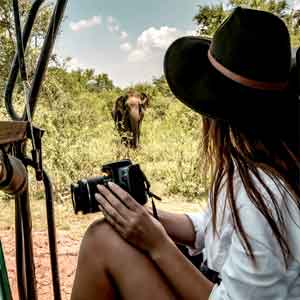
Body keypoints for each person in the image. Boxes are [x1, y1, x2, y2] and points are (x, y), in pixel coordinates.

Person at [71, 7, 300, 300]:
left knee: (100, 241)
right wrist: (146, 216)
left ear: (216, 115)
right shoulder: (255, 168)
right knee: (107, 234)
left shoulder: (261, 195)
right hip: (212, 276)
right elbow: (212, 229)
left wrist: (157, 244)